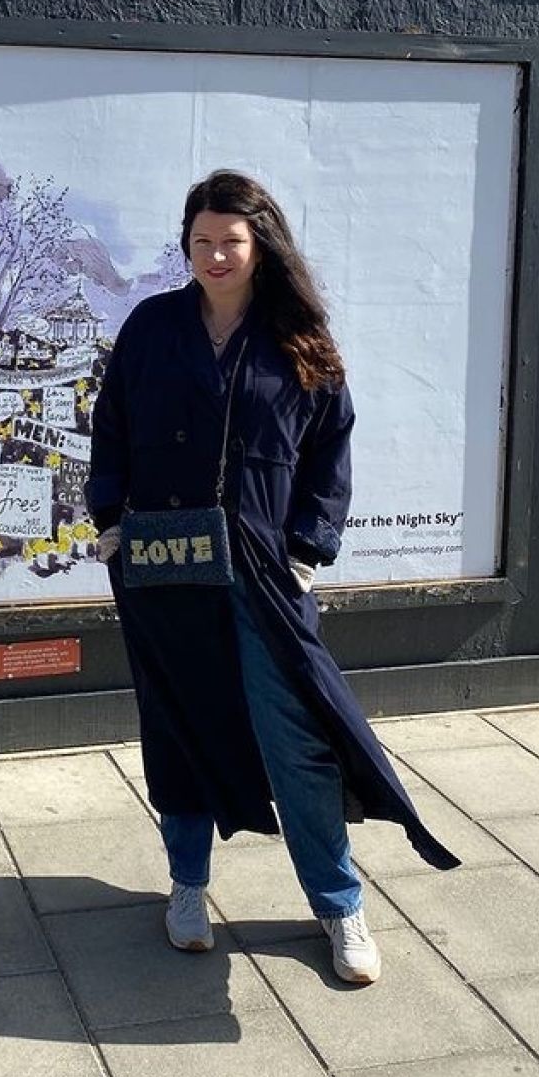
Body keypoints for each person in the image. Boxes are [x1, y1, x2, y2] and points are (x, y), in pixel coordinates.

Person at [86, 170, 459, 985]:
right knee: (178, 723)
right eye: (201, 241)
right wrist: (111, 522)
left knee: (297, 737)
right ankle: (186, 889)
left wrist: (305, 548)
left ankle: (338, 902)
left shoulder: (299, 337)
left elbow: (333, 445)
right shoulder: (151, 328)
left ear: (261, 246)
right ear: (185, 245)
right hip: (163, 563)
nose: (215, 255)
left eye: (231, 241)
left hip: (263, 570)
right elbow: (109, 428)